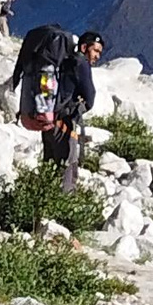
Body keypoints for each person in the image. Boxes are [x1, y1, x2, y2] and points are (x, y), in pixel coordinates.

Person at [42, 27, 104, 189]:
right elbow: (90, 97)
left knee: (49, 164)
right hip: (65, 121)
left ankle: (43, 201)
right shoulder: (81, 63)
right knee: (67, 167)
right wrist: (79, 108)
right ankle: (63, 207)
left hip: (47, 117)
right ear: (84, 48)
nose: (97, 56)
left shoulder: (63, 61)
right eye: (95, 51)